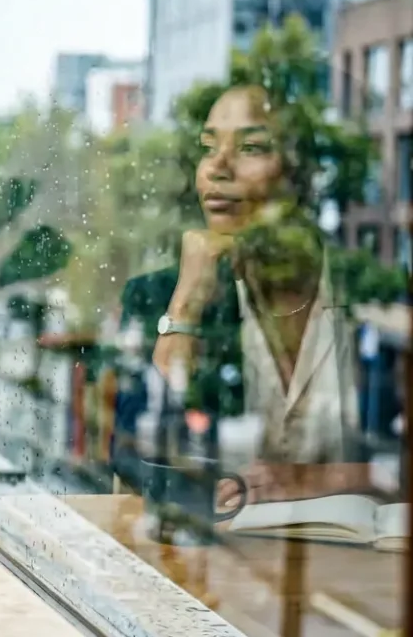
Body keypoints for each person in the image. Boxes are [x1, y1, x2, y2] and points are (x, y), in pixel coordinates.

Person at [111, 84, 376, 508]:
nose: (218, 167)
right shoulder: (155, 296)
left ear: (298, 177)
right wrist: (185, 307)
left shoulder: (356, 291)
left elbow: (391, 461)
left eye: (250, 147)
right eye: (208, 148)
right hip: (207, 546)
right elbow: (135, 468)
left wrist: (309, 480)